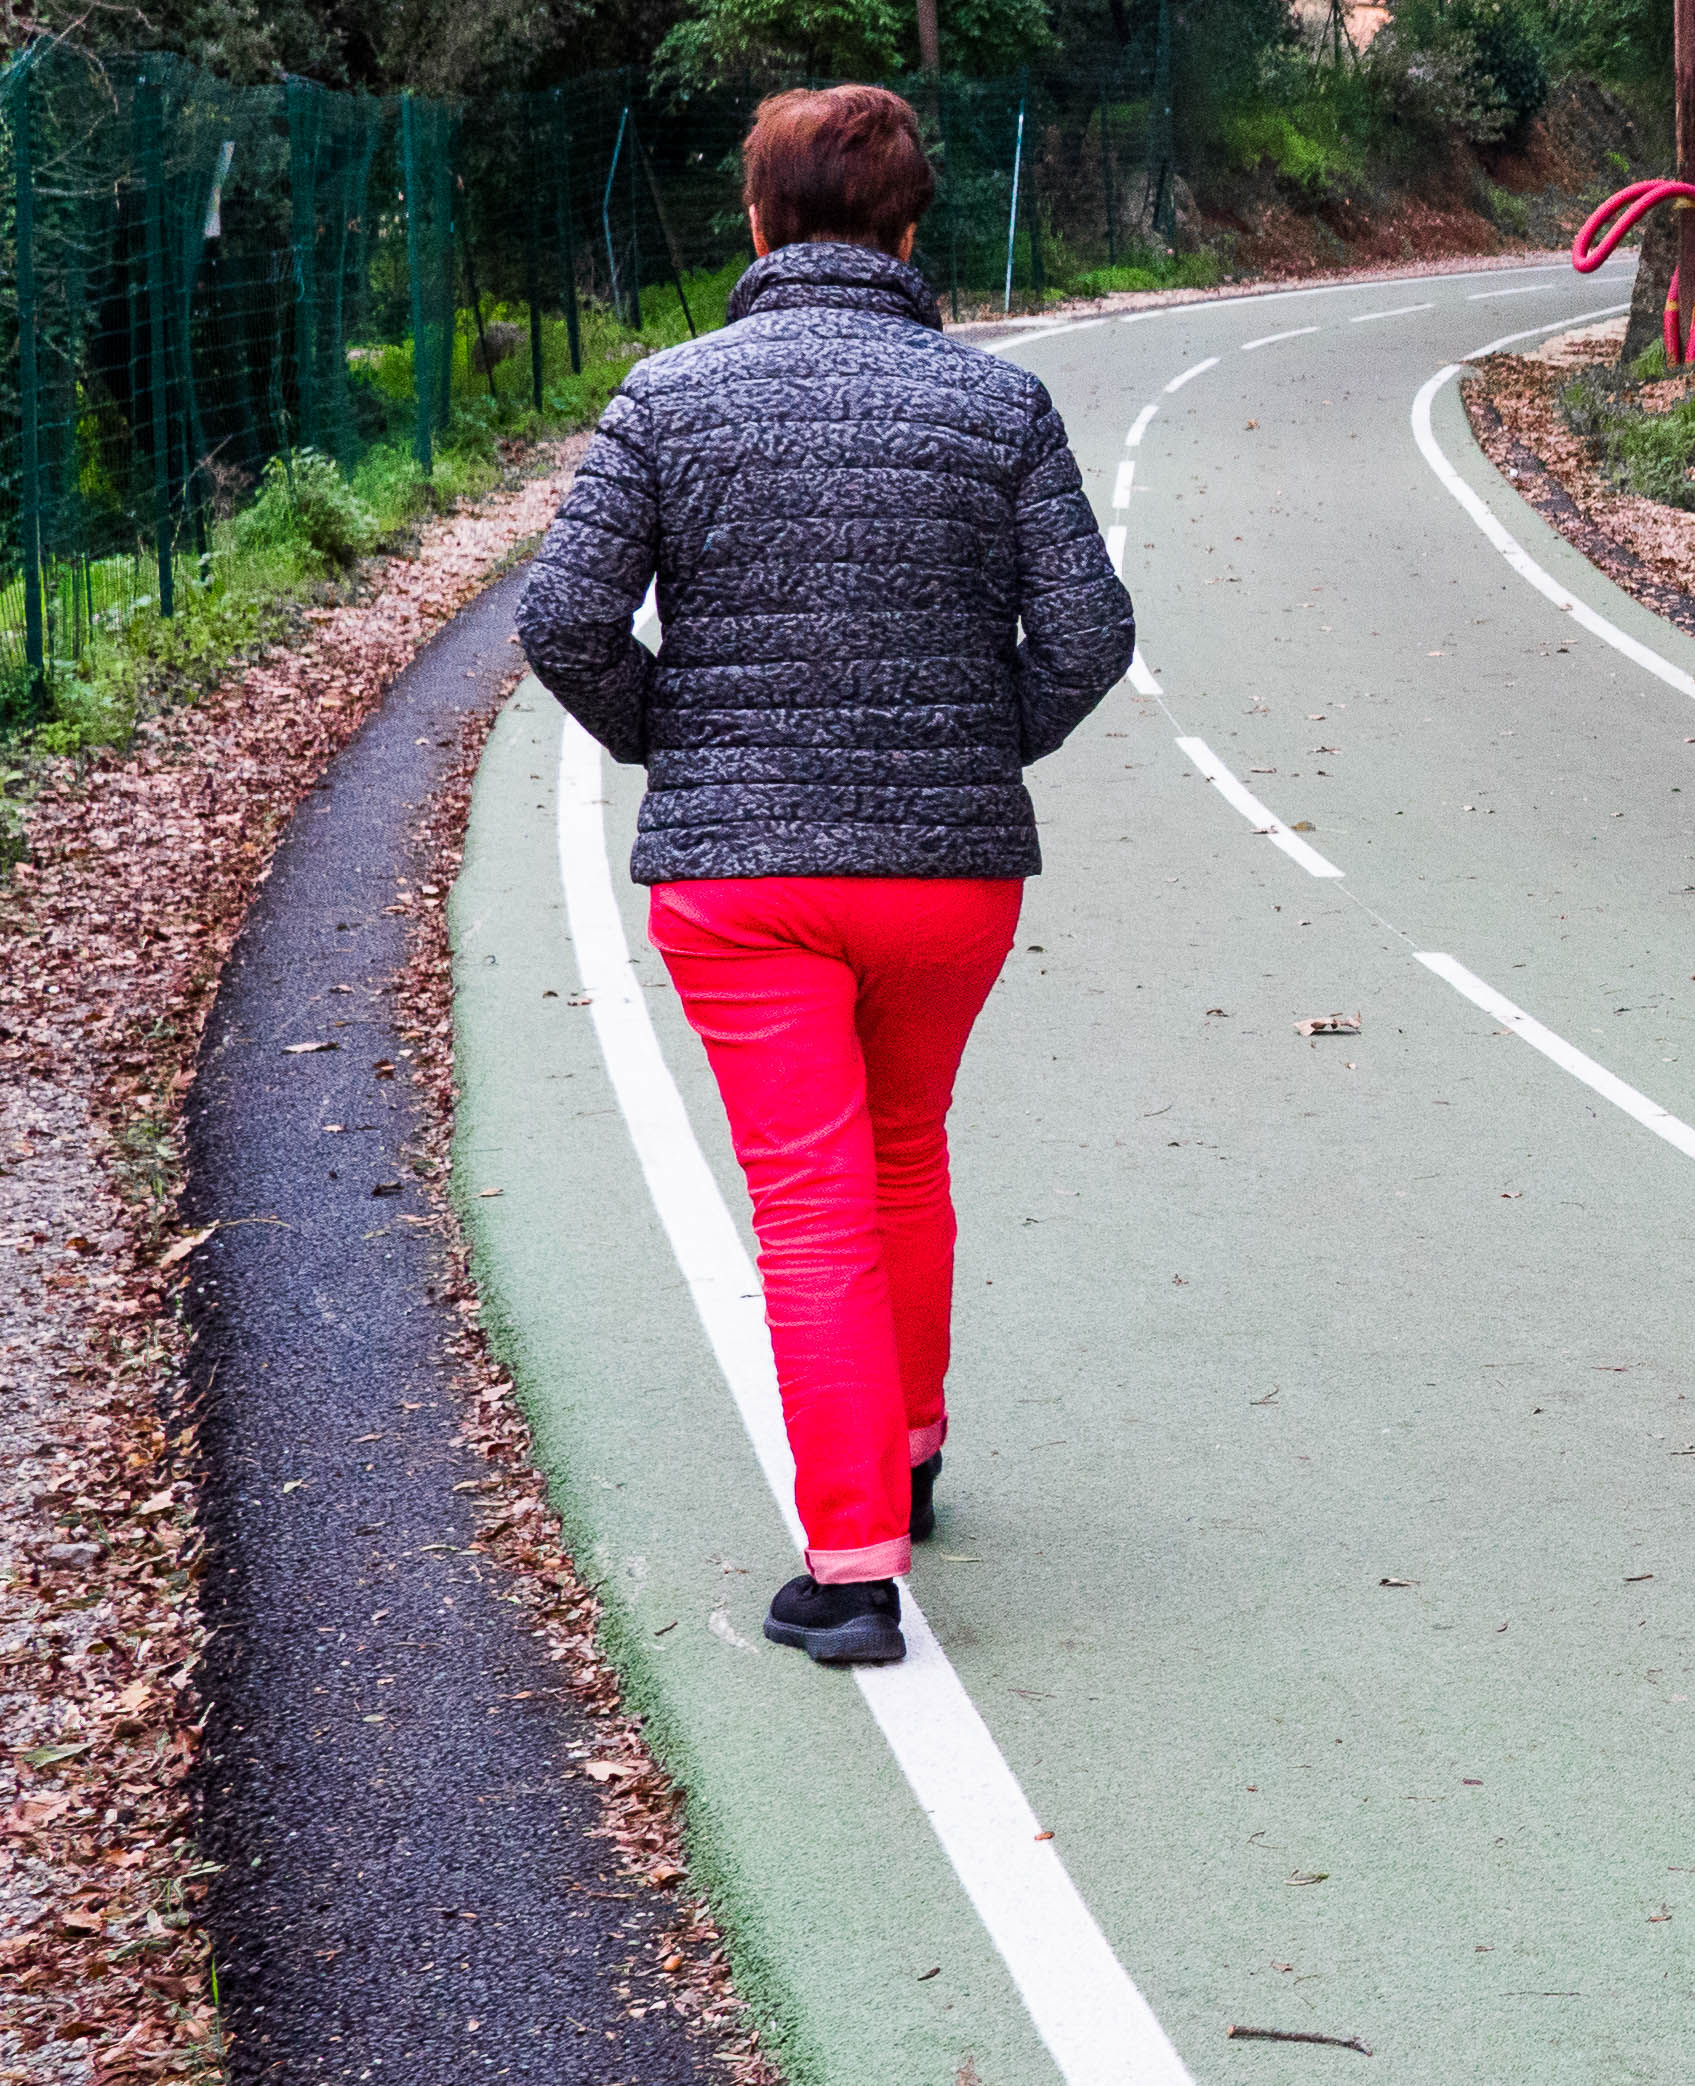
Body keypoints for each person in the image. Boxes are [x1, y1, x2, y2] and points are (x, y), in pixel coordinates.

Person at [520, 83, 1133, 1666]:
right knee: (905, 1148)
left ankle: (852, 1569)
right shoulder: (998, 406)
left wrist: (679, 738)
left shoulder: (664, 399)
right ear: (909, 231)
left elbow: (565, 618)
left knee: (807, 1202)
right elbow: (1088, 633)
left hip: (741, 880)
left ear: (756, 220)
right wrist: (971, 746)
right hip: (948, 872)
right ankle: (910, 1451)